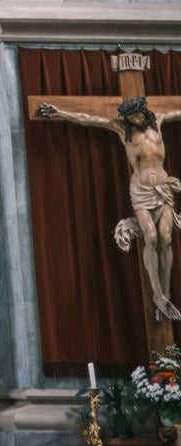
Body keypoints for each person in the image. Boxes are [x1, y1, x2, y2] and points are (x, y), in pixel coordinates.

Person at [36, 94, 181, 319]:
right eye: (131, 117)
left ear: (144, 111)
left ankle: (167, 293)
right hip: (141, 191)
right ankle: (158, 294)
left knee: (166, 238)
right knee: (151, 238)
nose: (136, 119)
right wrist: (60, 113)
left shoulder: (159, 121)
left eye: (138, 114)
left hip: (163, 188)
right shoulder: (122, 129)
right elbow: (88, 118)